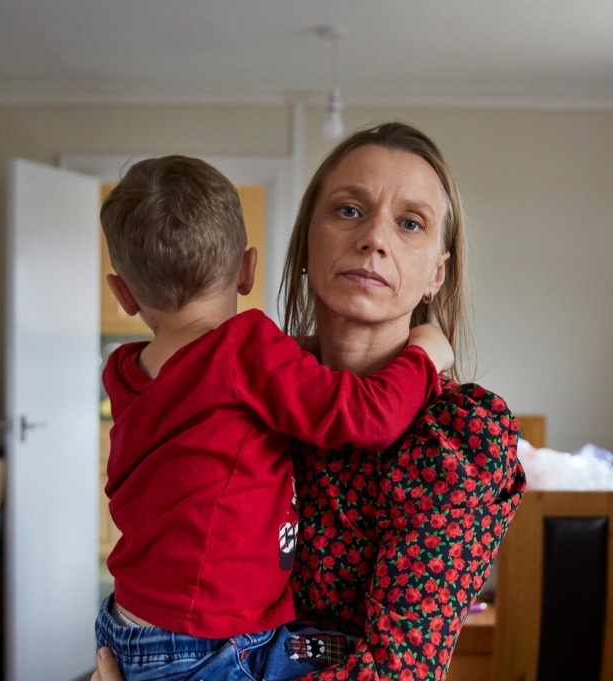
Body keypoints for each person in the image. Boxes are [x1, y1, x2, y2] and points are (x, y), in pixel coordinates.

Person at [92, 123, 526, 680]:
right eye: (349, 210)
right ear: (304, 243)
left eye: (410, 223)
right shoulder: (249, 384)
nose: (374, 237)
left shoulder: (457, 436)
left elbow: (396, 673)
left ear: (436, 275)